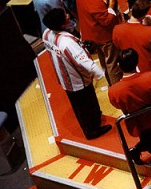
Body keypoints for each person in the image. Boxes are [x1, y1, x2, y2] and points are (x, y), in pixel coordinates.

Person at [41, 8, 111, 139]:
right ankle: (92, 131)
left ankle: (93, 120)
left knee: (79, 106)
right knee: (87, 105)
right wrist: (101, 74)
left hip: (64, 78)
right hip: (78, 81)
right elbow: (84, 62)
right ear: (62, 24)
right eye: (65, 16)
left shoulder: (46, 34)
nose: (68, 15)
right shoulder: (67, 42)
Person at [108, 49, 151, 164]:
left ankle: (137, 151)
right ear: (137, 62)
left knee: (150, 140)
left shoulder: (114, 91)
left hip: (138, 124)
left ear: (119, 66)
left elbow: (117, 105)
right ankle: (140, 152)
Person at [75, 0, 122, 84]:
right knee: (112, 63)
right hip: (104, 36)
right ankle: (117, 86)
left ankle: (111, 84)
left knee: (104, 61)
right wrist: (112, 2)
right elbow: (106, 21)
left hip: (92, 34)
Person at [113, 0, 151, 74]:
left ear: (132, 9)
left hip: (130, 72)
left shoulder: (117, 29)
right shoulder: (150, 32)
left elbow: (118, 47)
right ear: (146, 15)